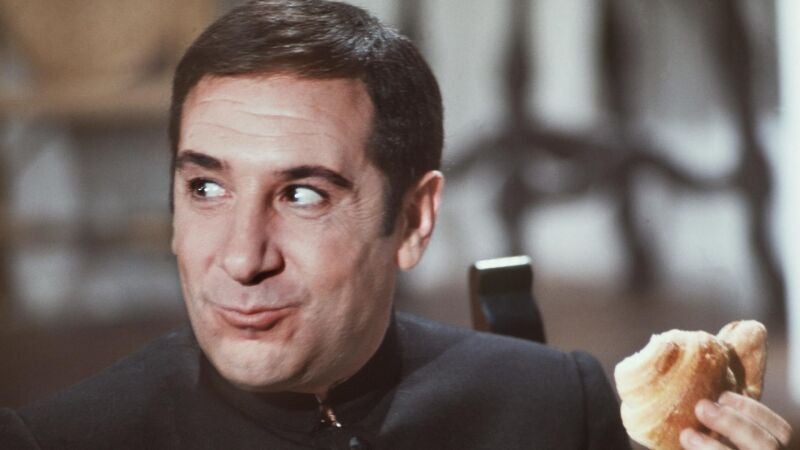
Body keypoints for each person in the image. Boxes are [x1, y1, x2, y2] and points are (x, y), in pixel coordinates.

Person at [0, 1, 791, 449]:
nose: (241, 257)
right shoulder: (60, 441)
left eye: (301, 195)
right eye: (206, 188)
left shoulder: (558, 407)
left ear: (414, 219)